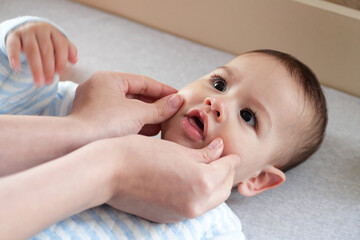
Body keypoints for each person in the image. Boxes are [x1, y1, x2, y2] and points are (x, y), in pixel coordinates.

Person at [0, 16, 328, 239]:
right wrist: (26, 48)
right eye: (219, 83)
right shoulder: (111, 115)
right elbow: (18, 98)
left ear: (258, 179)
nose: (218, 103)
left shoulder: (215, 228)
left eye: (247, 116)